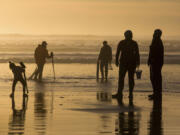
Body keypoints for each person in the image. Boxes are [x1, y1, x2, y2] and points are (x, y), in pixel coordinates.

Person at [112, 30, 140, 99]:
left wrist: (138, 62)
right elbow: (118, 52)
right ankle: (123, 93)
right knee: (125, 79)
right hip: (126, 63)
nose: (128, 36)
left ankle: (126, 93)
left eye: (129, 35)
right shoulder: (131, 43)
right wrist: (116, 60)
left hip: (128, 63)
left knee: (127, 79)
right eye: (128, 35)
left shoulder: (127, 43)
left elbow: (137, 53)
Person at [148, 29, 164, 100]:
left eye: (156, 33)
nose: (154, 34)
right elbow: (151, 52)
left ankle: (157, 94)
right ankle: (156, 93)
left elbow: (156, 53)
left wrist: (152, 59)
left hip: (156, 62)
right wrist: (149, 59)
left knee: (155, 78)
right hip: (155, 62)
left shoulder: (157, 41)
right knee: (154, 78)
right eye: (155, 33)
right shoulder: (155, 40)